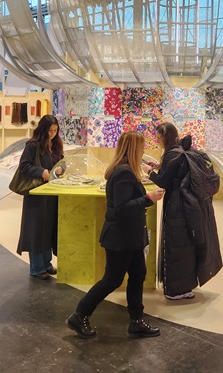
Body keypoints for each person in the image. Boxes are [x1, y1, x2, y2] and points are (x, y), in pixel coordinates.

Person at [67, 132, 164, 339]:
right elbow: (121, 208)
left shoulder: (126, 170)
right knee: (112, 279)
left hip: (130, 236)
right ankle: (80, 314)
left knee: (138, 274)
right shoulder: (124, 173)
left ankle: (136, 321)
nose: (143, 151)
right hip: (121, 236)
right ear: (133, 149)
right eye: (142, 148)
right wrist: (148, 198)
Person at [147, 121, 197, 300]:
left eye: (159, 138)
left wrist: (150, 172)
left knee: (173, 244)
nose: (157, 141)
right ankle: (184, 286)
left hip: (175, 204)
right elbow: (174, 172)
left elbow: (164, 182)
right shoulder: (180, 150)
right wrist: (159, 167)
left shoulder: (171, 155)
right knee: (184, 244)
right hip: (186, 202)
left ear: (165, 137)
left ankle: (175, 290)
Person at [16, 115, 63, 280]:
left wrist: (60, 169)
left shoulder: (55, 145)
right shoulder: (33, 145)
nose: (52, 133)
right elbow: (24, 166)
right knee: (37, 230)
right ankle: (37, 267)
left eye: (55, 130)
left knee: (48, 228)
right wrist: (40, 171)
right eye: (50, 130)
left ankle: (46, 263)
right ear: (43, 129)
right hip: (36, 194)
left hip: (51, 193)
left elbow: (60, 162)